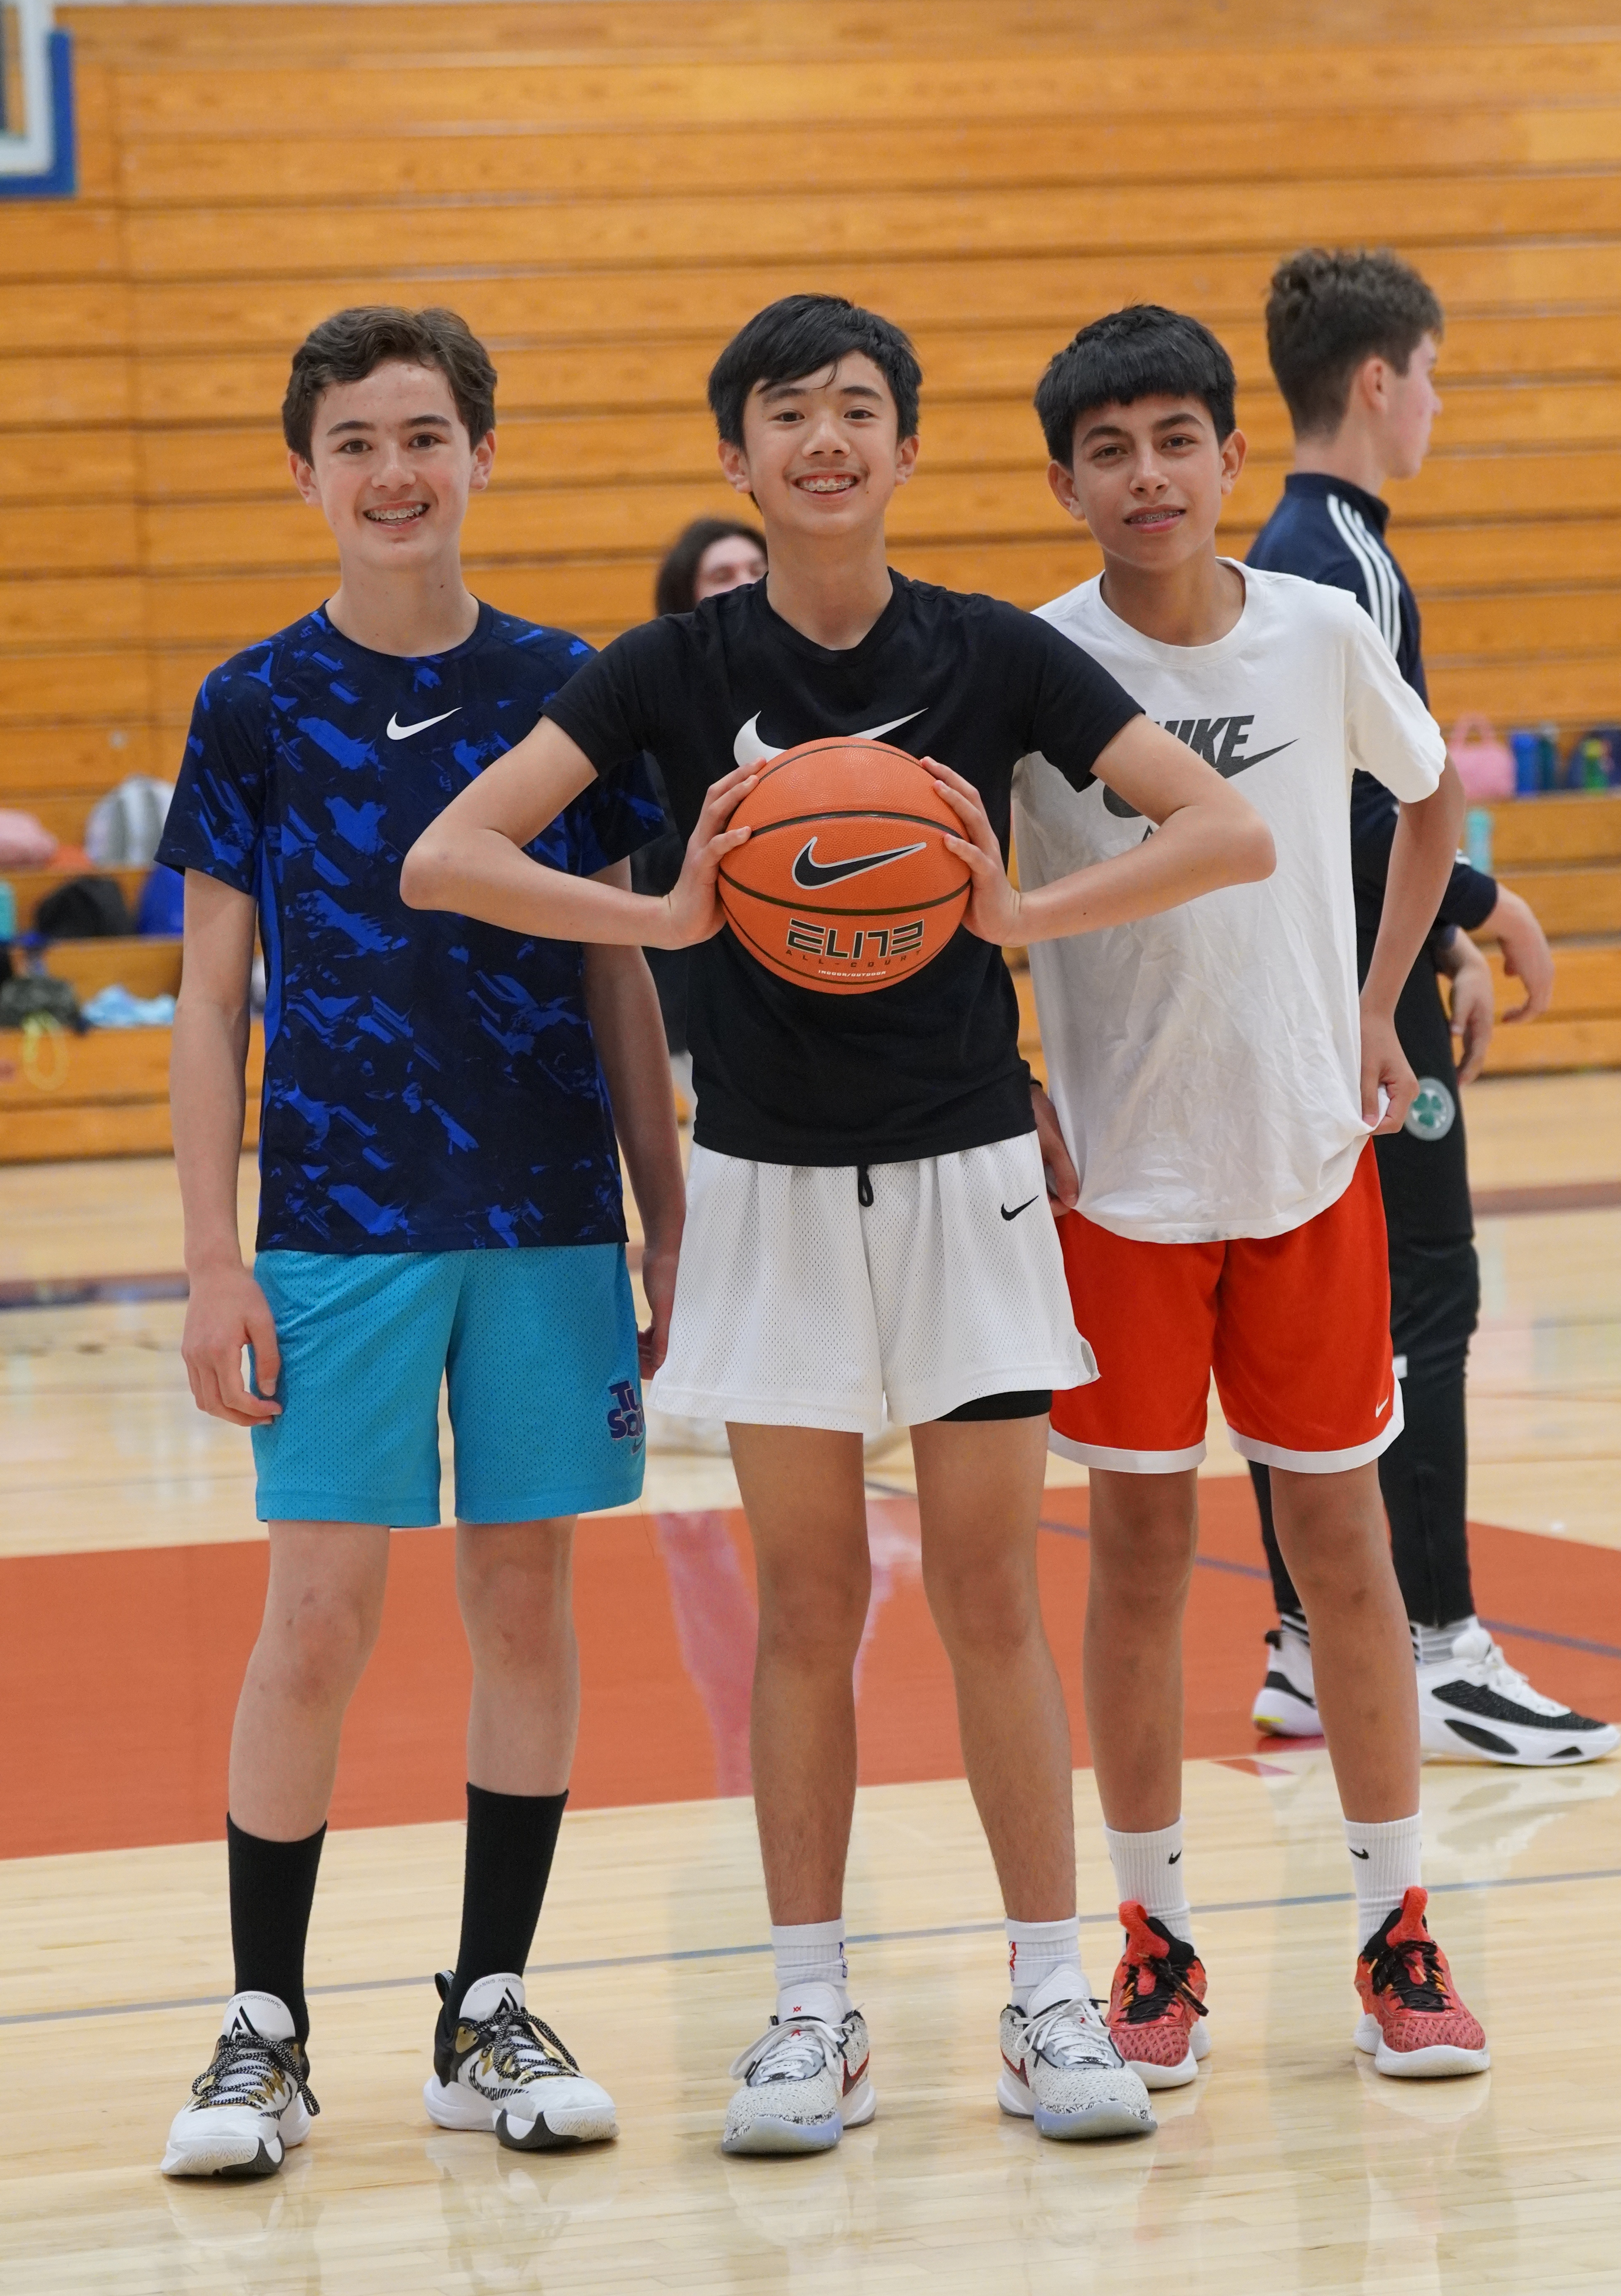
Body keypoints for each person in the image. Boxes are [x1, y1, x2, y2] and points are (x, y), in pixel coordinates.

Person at [402, 290, 1273, 2156]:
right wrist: (672, 916)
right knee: (803, 1611)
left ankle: (1049, 1995)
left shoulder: (987, 659)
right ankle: (813, 2011)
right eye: (787, 413)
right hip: (772, 1191)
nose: (822, 440)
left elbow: (1224, 828)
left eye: (856, 409)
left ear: (903, 443)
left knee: (985, 1603)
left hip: (965, 1180)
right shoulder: (663, 669)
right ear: (737, 455)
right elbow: (447, 856)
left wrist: (1023, 924)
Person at [155, 305, 681, 2181]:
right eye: (359, 439)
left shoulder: (570, 686)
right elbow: (214, 1002)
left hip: (543, 1224)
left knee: (525, 1610)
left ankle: (485, 2006)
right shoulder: (252, 702)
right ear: (303, 471)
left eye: (428, 434)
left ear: (481, 455)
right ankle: (264, 2029)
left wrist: (664, 1212)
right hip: (335, 1229)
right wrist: (215, 1260)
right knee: (318, 1618)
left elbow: (620, 978)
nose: (396, 471)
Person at [1016, 303, 1490, 2087]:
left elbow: (1429, 805)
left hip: (1302, 1162)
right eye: (1109, 449)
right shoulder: (1031, 662)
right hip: (1122, 1187)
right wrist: (1016, 1079)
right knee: (1135, 1559)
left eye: (1175, 440)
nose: (1147, 476)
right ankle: (1152, 1941)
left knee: (1344, 1557)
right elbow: (949, 898)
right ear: (1062, 480)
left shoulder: (1313, 632)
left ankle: (1396, 1929)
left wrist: (1371, 1012)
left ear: (1228, 455)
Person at [1247, 247, 1618, 1767]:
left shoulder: (1291, 545)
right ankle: (1439, 1643)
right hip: (1349, 1008)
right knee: (1426, 1307)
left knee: (1339, 1324)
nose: (1440, 406)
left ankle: (1306, 1645)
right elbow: (1352, 811)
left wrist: (1433, 941)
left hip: (1334, 986)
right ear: (1381, 380)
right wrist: (1476, 910)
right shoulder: (1348, 558)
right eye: (1438, 375)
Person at [633, 516, 769, 1105]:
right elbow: (650, 860)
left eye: (757, 570)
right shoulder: (656, 701)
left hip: (819, 982)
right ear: (685, 596)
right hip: (704, 995)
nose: (744, 583)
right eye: (722, 574)